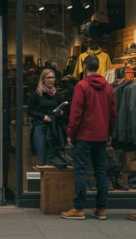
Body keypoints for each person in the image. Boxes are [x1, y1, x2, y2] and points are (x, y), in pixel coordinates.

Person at [62, 55, 116, 220]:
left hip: (84, 135)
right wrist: (109, 133)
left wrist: (71, 133)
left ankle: (78, 208)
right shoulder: (108, 87)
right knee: (101, 171)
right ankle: (101, 208)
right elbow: (113, 114)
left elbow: (76, 113)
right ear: (98, 67)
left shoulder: (82, 85)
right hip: (101, 136)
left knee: (81, 171)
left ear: (85, 67)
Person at [28, 69, 63, 166]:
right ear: (43, 79)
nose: (51, 80)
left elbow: (60, 109)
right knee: (42, 157)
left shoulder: (57, 95)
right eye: (48, 78)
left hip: (53, 127)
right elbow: (30, 111)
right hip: (41, 126)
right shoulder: (36, 94)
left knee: (53, 158)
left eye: (52, 77)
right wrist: (42, 116)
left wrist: (60, 113)